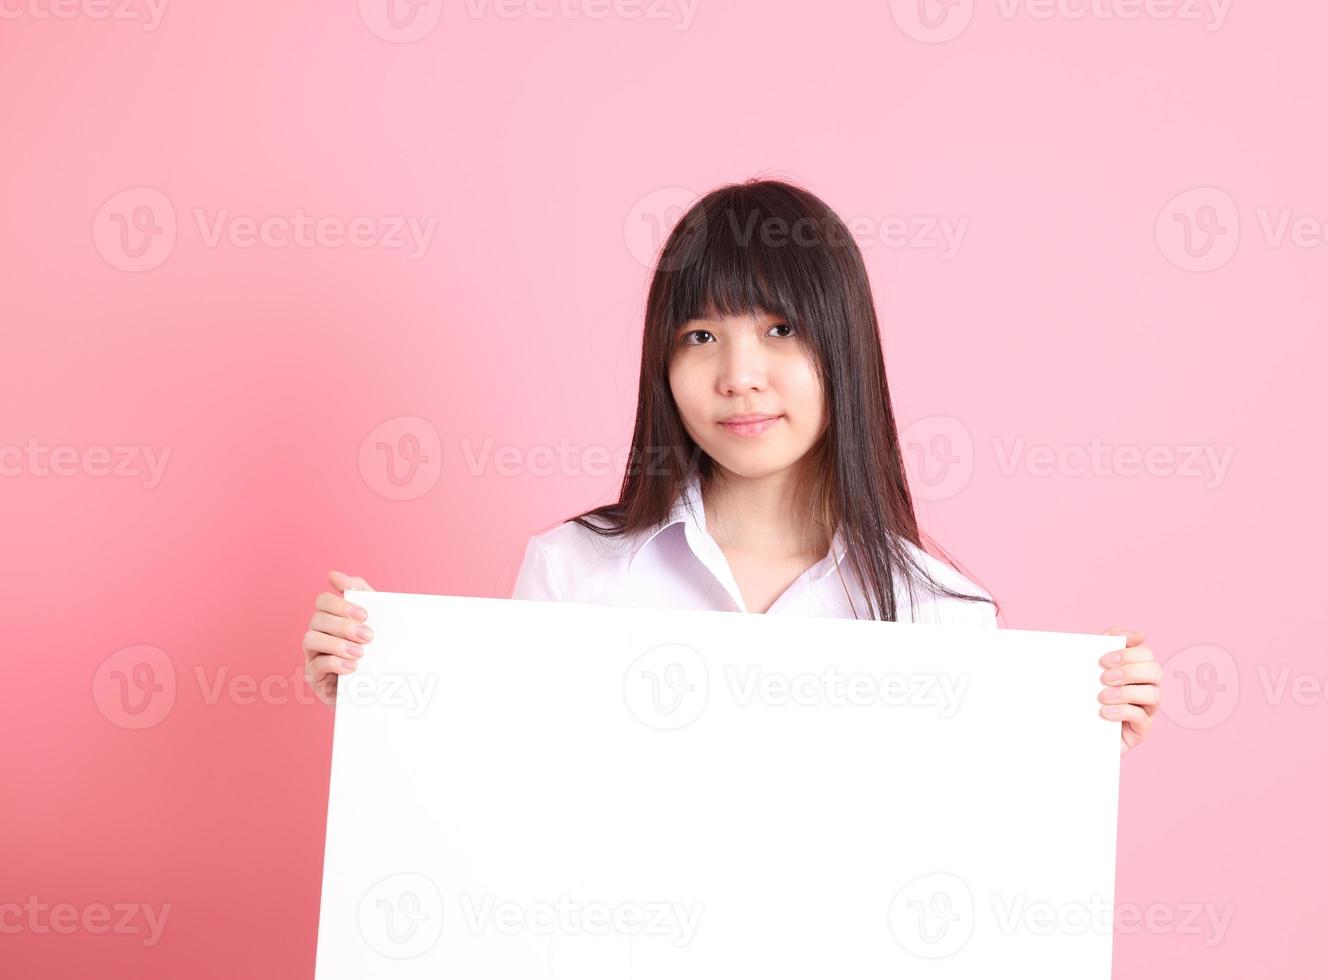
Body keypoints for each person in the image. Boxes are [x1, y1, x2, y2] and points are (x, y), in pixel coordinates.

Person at [302, 178, 1162, 754]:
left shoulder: (942, 614)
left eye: (780, 330)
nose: (739, 375)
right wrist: (385, 694)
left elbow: (970, 862)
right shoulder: (574, 571)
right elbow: (500, 792)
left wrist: (1077, 737)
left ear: (844, 348)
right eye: (701, 336)